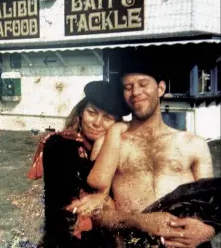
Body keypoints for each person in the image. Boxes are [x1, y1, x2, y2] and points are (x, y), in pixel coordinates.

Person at [66, 53, 219, 248]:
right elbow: (97, 213)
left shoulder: (194, 145)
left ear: (161, 88)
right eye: (128, 87)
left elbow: (211, 205)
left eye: (143, 84)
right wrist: (142, 221)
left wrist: (207, 231)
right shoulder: (110, 143)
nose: (135, 92)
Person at [27, 80, 131, 248]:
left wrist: (108, 139)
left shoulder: (118, 150)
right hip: (62, 241)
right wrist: (102, 145)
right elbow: (83, 184)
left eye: (108, 118)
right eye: (92, 112)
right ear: (81, 112)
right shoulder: (58, 143)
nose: (97, 122)